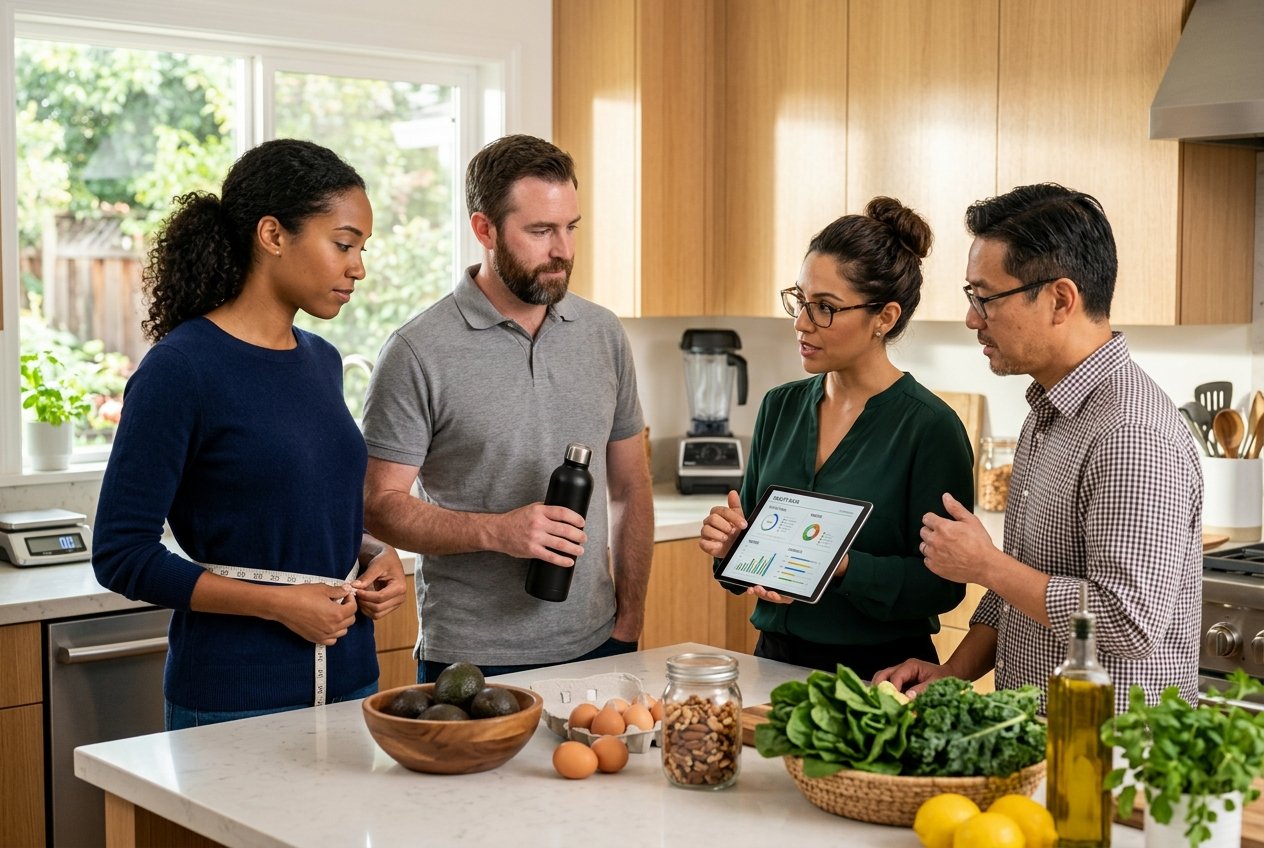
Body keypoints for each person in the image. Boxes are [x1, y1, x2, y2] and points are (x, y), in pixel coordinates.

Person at [93, 139, 407, 729]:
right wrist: (279, 604)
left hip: (351, 678)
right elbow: (120, 553)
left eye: (362, 248)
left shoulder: (322, 360)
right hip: (234, 695)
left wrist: (371, 552)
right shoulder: (180, 370)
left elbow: (299, 505)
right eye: (343, 244)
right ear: (272, 235)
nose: (358, 267)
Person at [874, 183, 1202, 711]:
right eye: (970, 296)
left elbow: (1126, 621)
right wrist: (953, 674)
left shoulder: (1132, 435)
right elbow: (1023, 588)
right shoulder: (1049, 412)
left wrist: (987, 565)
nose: (972, 318)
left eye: (986, 298)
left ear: (1060, 300)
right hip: (1040, 736)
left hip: (1115, 757)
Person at [360, 134, 653, 682]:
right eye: (540, 231)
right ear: (484, 229)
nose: (562, 249)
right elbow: (379, 506)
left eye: (571, 227)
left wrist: (630, 622)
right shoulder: (418, 351)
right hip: (471, 660)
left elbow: (631, 486)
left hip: (599, 643)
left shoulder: (603, 334)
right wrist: (499, 531)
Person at [698, 198, 975, 681]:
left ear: (884, 317)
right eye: (800, 301)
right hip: (772, 660)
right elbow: (752, 549)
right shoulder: (779, 407)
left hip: (883, 674)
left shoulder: (931, 428)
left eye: (824, 308)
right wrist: (731, 549)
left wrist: (842, 567)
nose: (802, 323)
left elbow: (943, 585)